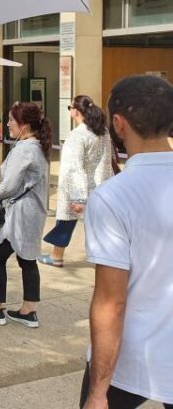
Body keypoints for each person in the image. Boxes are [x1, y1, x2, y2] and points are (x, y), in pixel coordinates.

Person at [80, 75, 173, 409]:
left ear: (118, 123)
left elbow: (111, 303)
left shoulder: (112, 197)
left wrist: (97, 393)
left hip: (132, 359)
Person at [0, 102, 51, 328]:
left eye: (12, 120)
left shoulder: (24, 149)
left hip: (19, 215)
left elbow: (10, 186)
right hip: (33, 212)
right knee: (27, 259)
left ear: (23, 124)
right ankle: (29, 310)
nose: (9, 125)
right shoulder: (38, 146)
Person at [39, 95, 113, 268]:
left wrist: (79, 197)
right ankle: (105, 260)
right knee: (98, 225)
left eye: (69, 107)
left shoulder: (77, 135)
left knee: (65, 220)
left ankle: (57, 256)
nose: (70, 111)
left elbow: (74, 167)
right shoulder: (103, 132)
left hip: (77, 188)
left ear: (76, 111)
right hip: (100, 186)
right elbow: (106, 160)